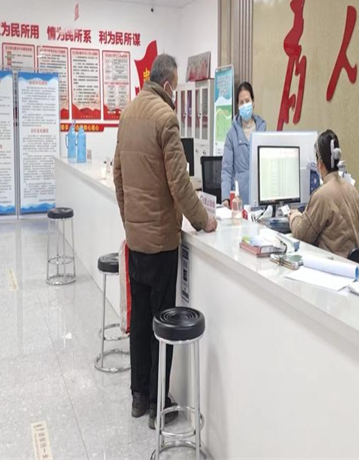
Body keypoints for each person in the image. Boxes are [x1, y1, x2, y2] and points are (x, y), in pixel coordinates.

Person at [113, 54, 218, 429]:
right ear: (169, 84)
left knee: (140, 321)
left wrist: (129, 223)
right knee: (161, 322)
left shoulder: (128, 114)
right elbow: (180, 184)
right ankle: (160, 404)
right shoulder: (166, 118)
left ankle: (138, 397)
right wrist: (203, 220)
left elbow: (119, 178)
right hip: (161, 244)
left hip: (136, 241)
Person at [289, 130, 359, 258]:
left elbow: (301, 235)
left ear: (319, 164)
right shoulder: (352, 190)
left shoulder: (321, 196)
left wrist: (294, 216)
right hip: (352, 265)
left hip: (333, 265)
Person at [221, 82, 267, 206]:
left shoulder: (262, 129)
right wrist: (225, 197)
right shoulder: (232, 134)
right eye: (241, 102)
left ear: (253, 102)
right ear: (237, 106)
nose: (245, 105)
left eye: (247, 101)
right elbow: (226, 169)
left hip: (261, 197)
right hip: (239, 198)